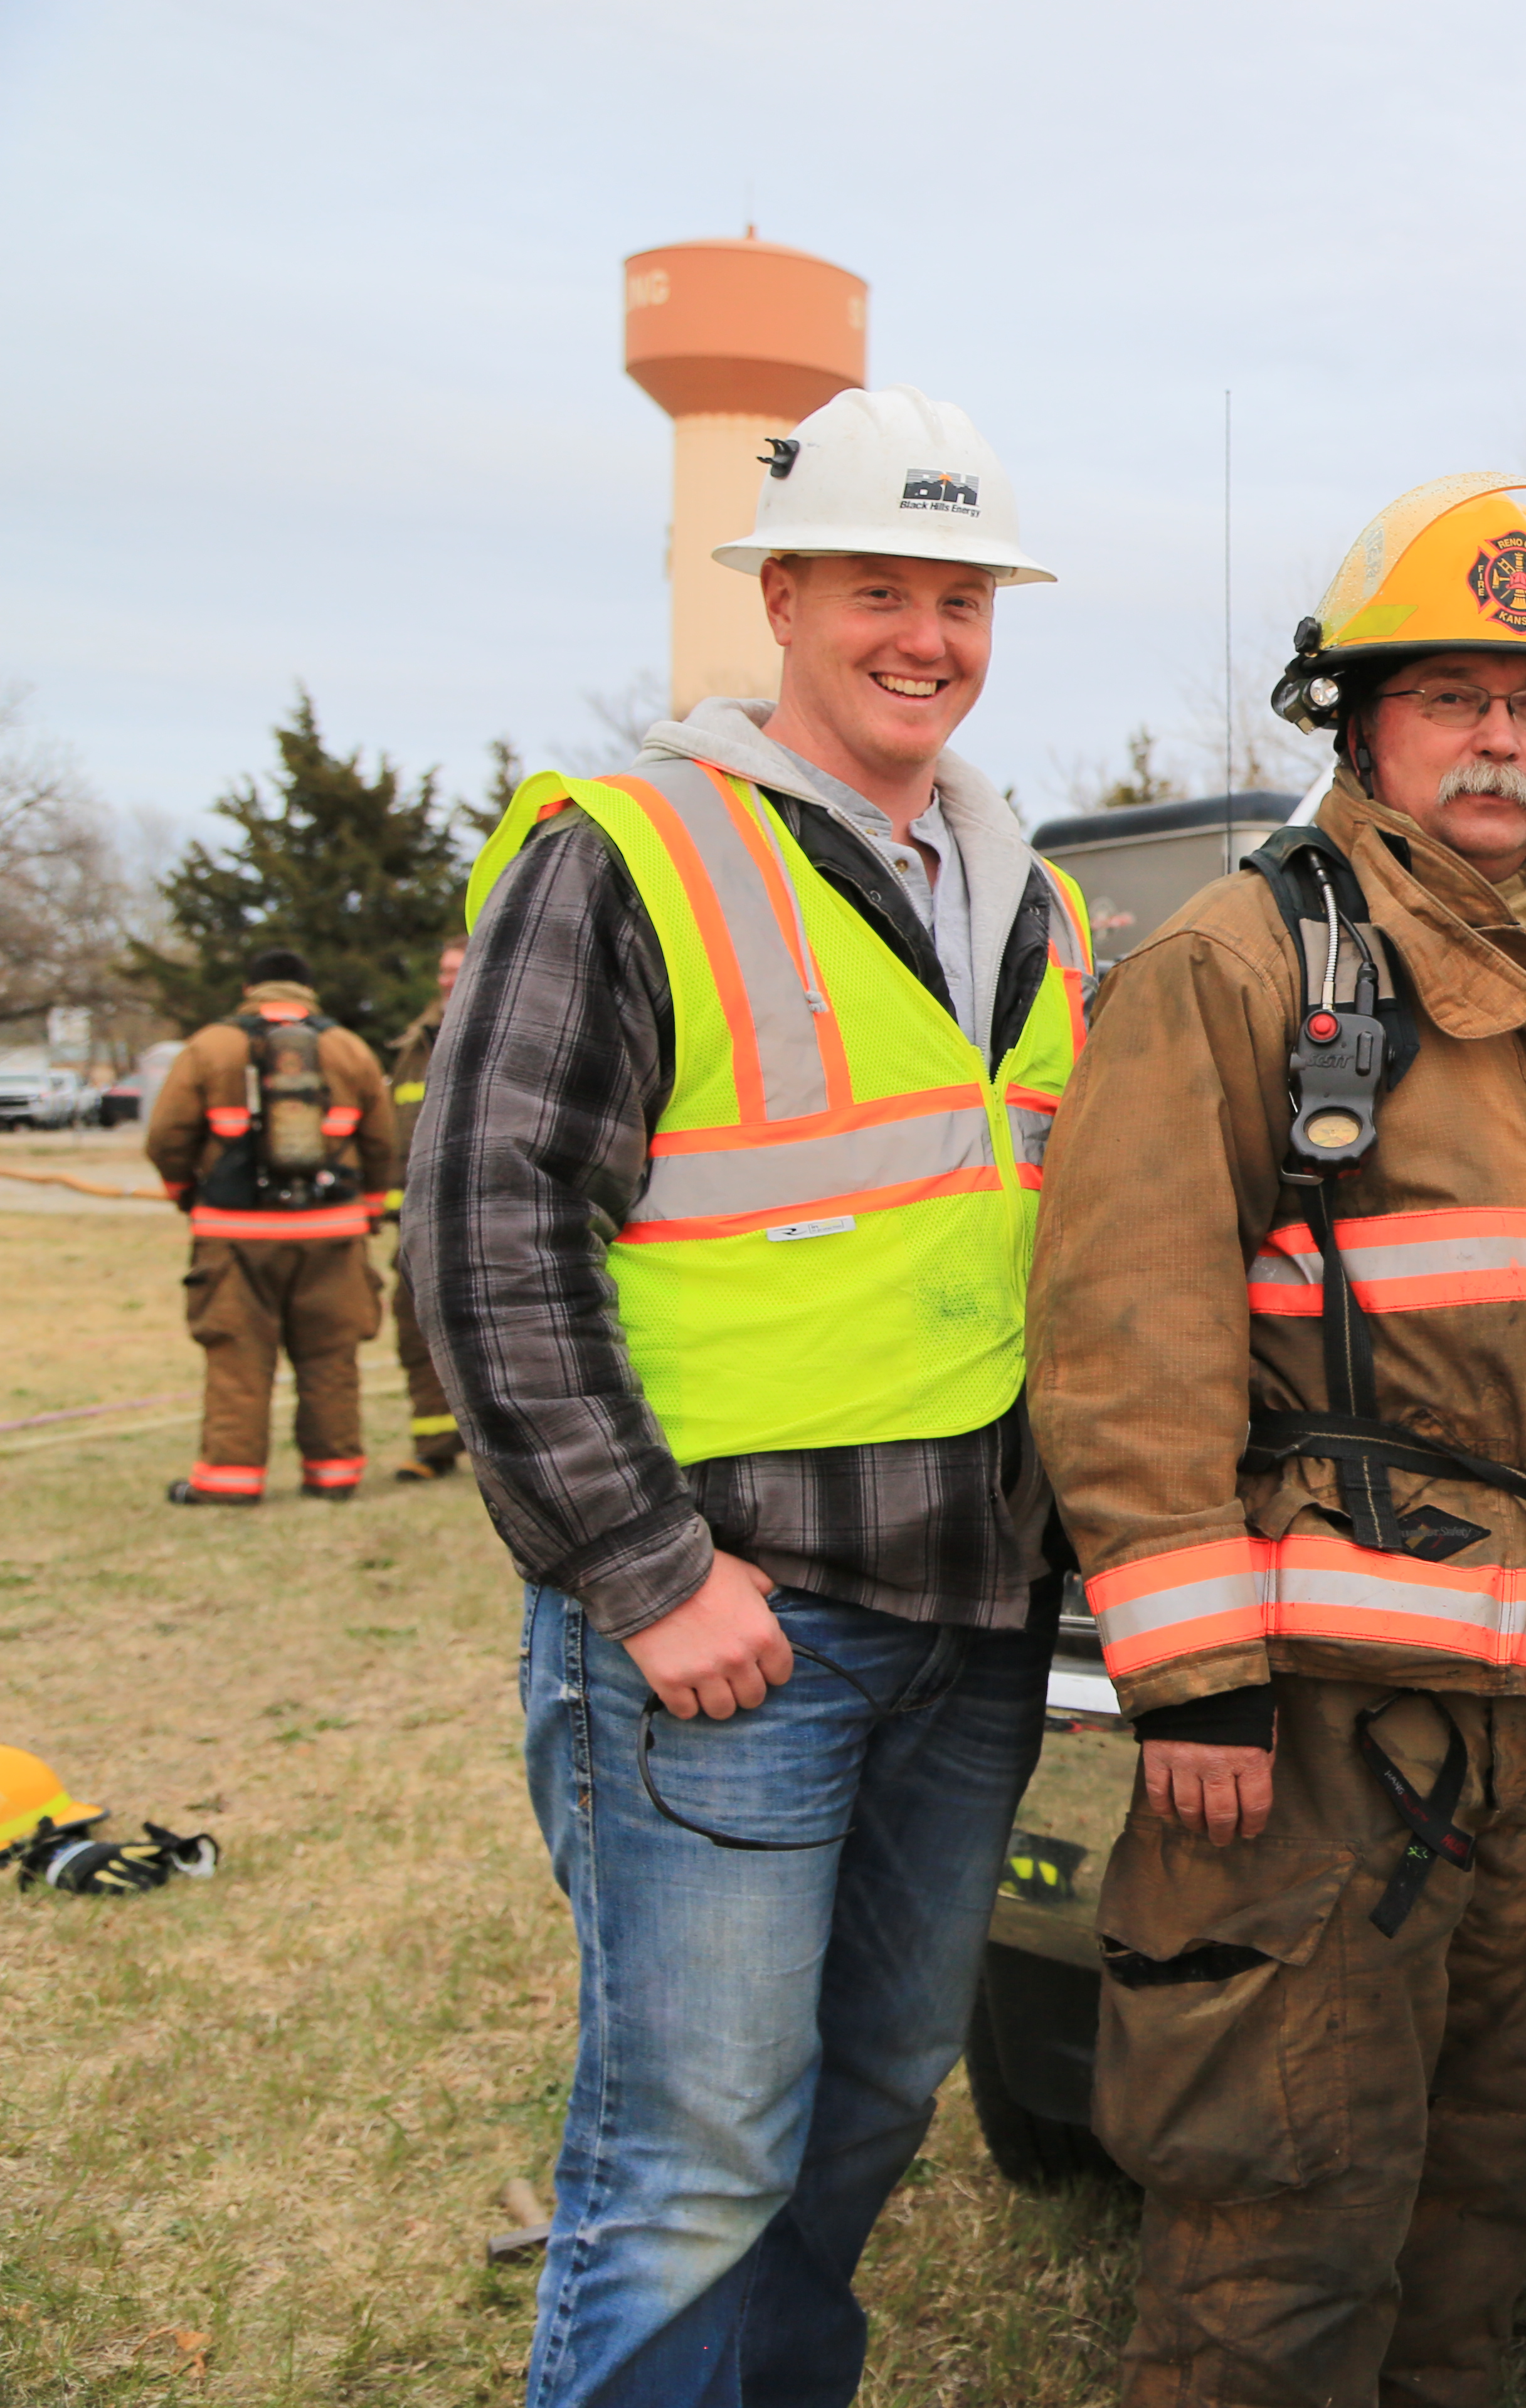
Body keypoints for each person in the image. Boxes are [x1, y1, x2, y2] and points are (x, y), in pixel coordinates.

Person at [1027, 474, 1526, 2408]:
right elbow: (1125, 1327)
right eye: (1452, 696)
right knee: (1285, 2212)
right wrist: (1186, 1676)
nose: (1500, 739)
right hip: (1324, 1734)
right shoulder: (1244, 962)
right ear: (1358, 725)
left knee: (1480, 2205)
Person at [408, 386, 1089, 2408]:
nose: (928, 637)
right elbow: (486, 1228)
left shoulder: (1022, 898)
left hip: (968, 1624)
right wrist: (641, 1566)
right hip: (732, 1630)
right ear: (779, 593)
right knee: (693, 2153)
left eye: (962, 596)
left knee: (875, 2092)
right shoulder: (628, 853)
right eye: (882, 584)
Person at [143, 944, 398, 1505]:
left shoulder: (211, 1046)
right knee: (332, 1355)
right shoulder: (348, 1049)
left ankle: (229, 1482)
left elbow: (166, 1136)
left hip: (235, 1235)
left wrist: (187, 1194)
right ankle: (334, 1475)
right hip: (333, 1233)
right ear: (310, 991)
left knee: (237, 1354)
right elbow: (384, 1142)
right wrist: (371, 1206)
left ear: (249, 990)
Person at [382, 937, 465, 1481]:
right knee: (415, 1331)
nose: (446, 980)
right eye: (442, 970)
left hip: (483, 1212)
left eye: (457, 969)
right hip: (420, 1219)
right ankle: (435, 1445)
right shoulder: (415, 1042)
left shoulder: (506, 1019)